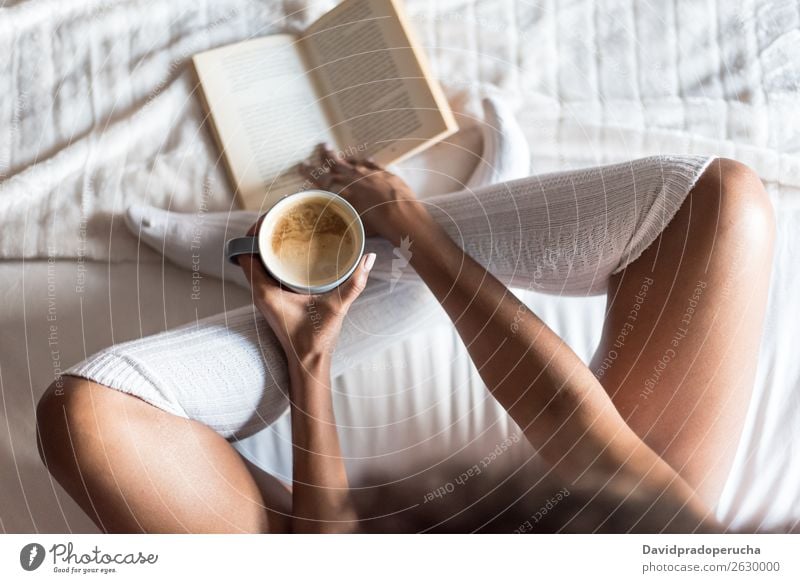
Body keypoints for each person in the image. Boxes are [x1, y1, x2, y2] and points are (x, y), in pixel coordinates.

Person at [36, 145, 774, 533]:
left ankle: (350, 266)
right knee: (722, 201)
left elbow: (334, 558)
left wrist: (311, 363)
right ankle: (384, 254)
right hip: (610, 529)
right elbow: (576, 430)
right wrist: (419, 234)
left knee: (84, 417)